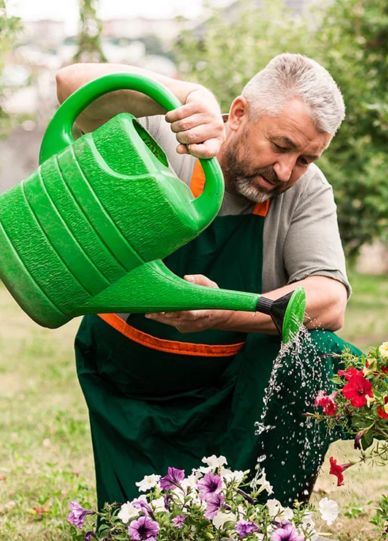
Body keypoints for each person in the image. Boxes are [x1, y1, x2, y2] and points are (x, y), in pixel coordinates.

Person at [56, 55, 354, 515]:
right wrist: (189, 93)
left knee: (320, 352)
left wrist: (222, 311)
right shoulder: (169, 134)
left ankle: (270, 523)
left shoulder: (305, 189)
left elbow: (330, 300)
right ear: (237, 115)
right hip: (132, 385)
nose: (284, 172)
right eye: (280, 145)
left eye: (305, 159)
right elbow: (70, 87)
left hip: (230, 399)